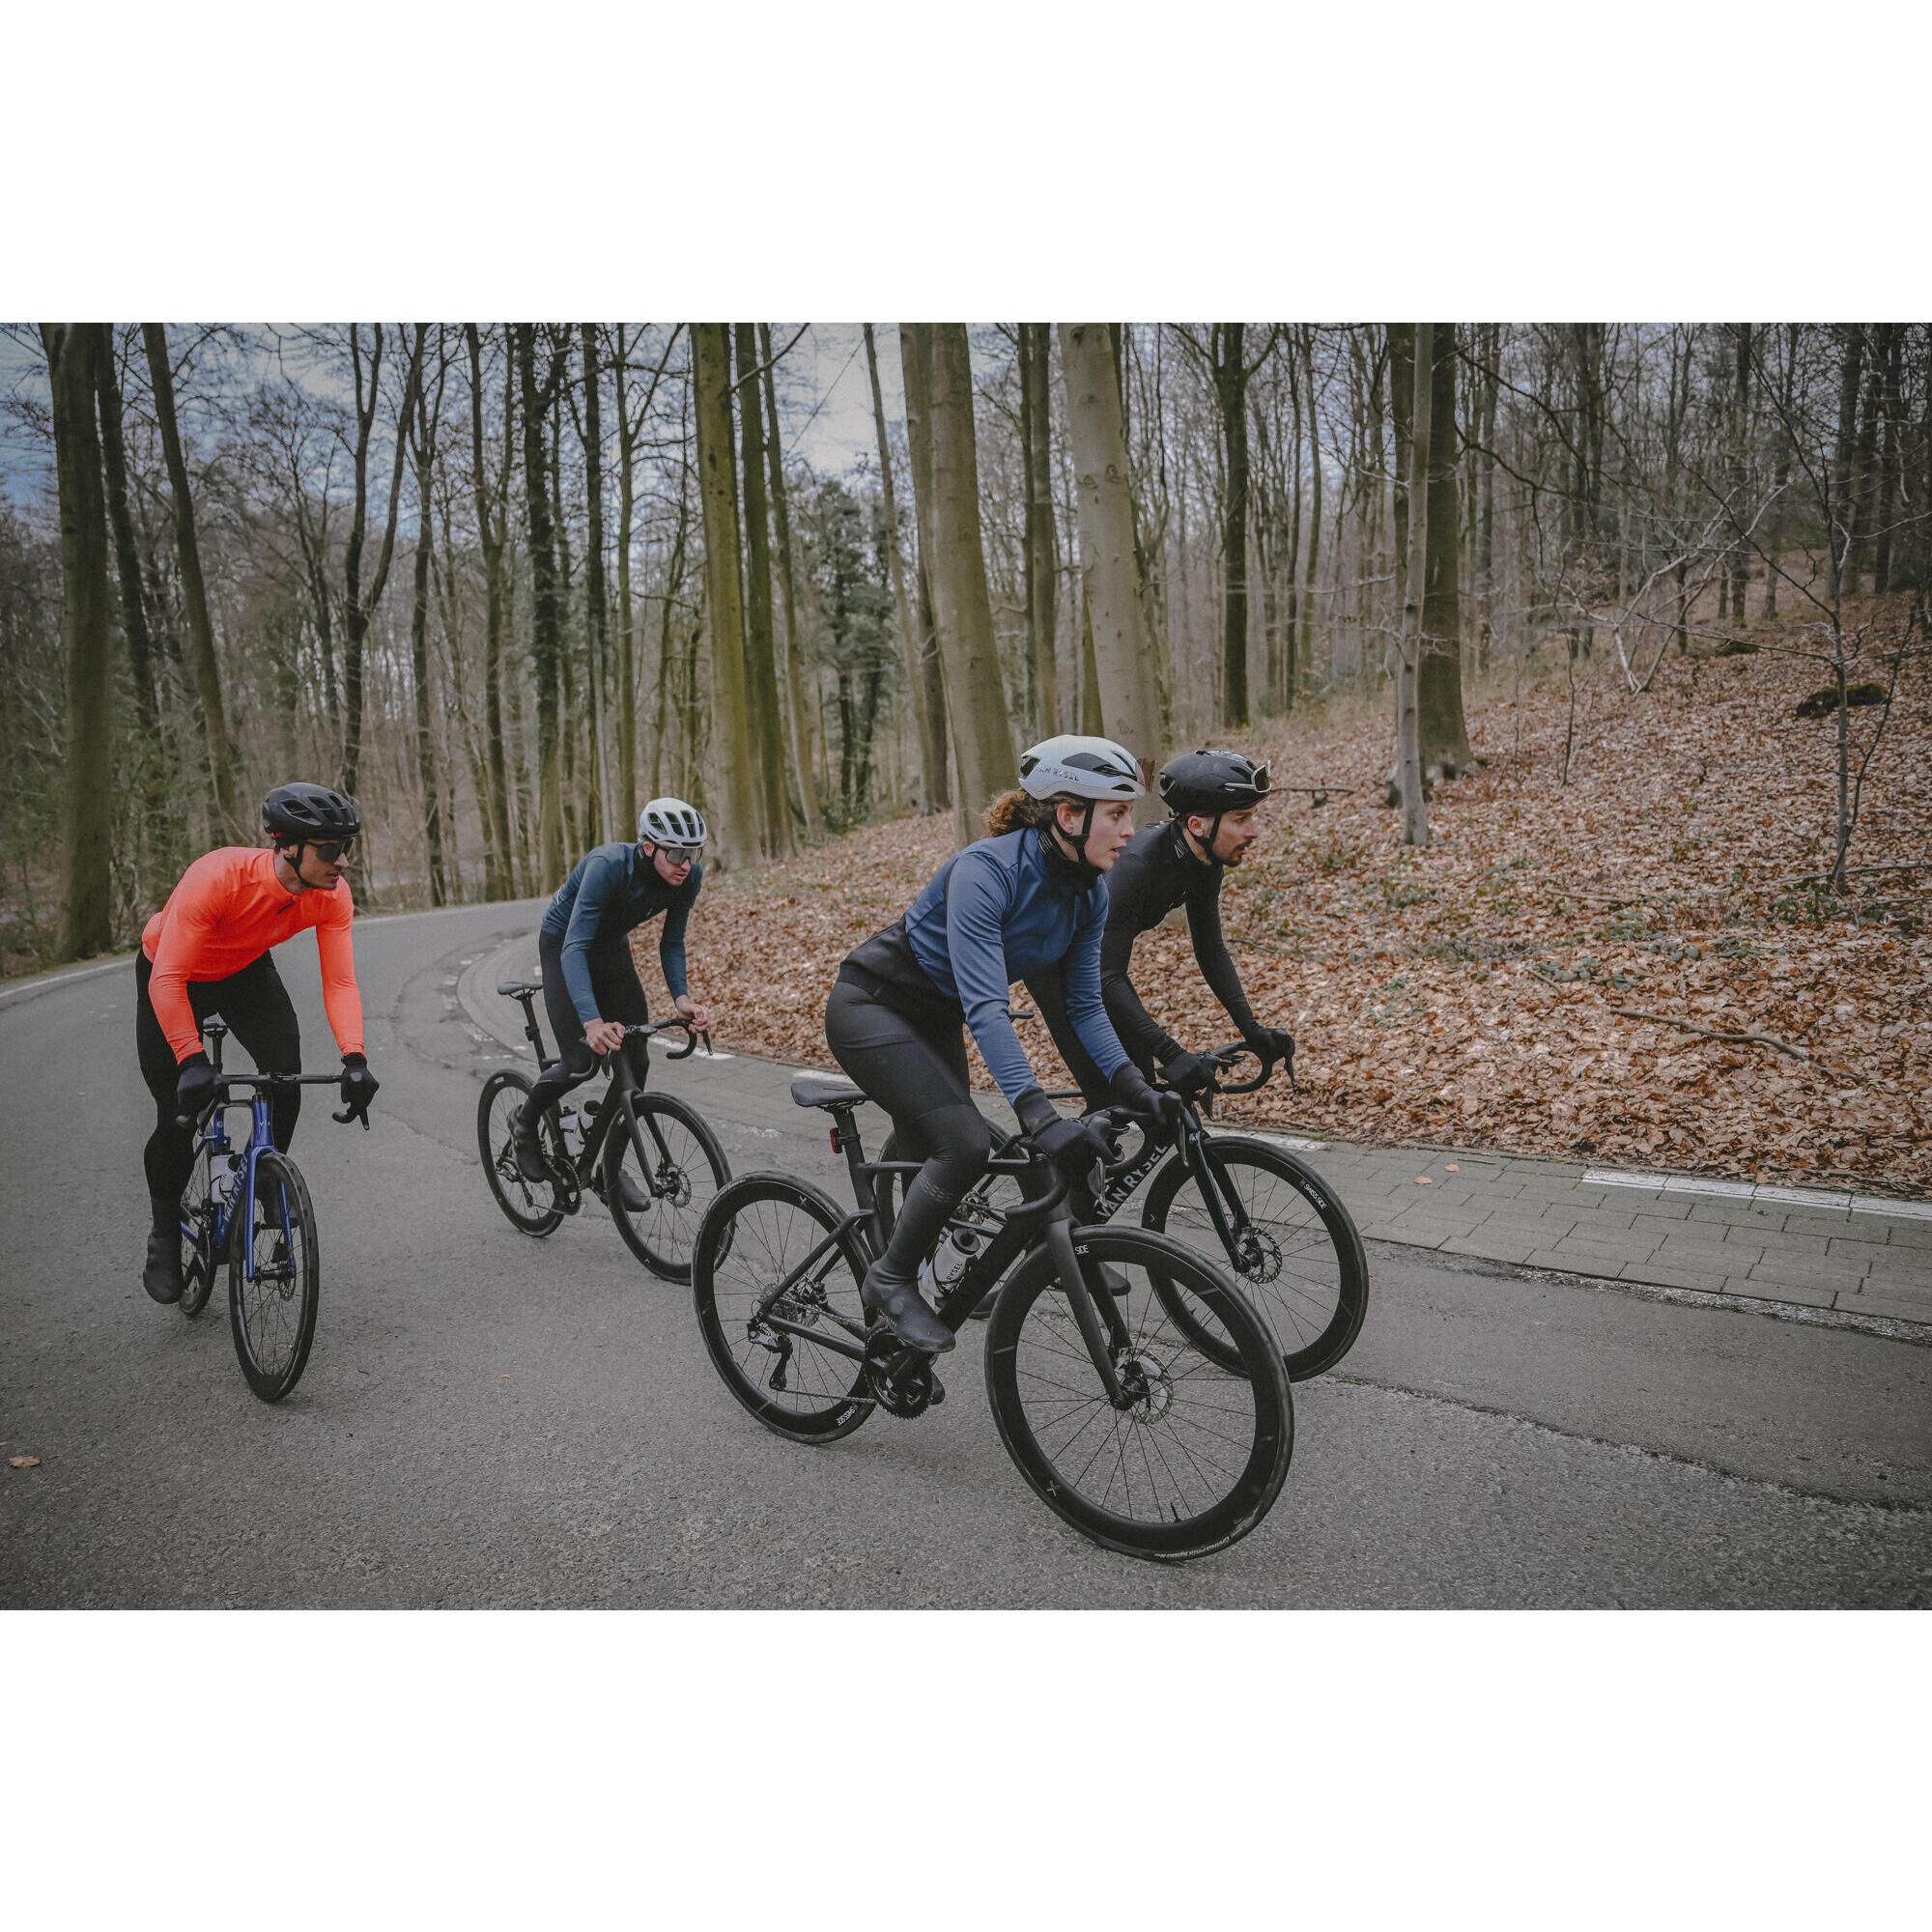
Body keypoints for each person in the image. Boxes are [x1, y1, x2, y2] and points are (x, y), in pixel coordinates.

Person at [825, 735, 1182, 1353]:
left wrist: (1135, 1085)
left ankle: (949, 1250)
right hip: (870, 1006)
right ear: (1069, 815)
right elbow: (990, 1007)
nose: (1130, 830)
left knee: (944, 1141)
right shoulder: (986, 871)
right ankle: (889, 1278)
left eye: (1131, 814)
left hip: (936, 1016)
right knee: (964, 1142)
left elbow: (1083, 1004)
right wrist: (1038, 1112)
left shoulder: (1088, 890)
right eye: (1118, 813)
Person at [136, 782, 378, 1304]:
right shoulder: (218, 878)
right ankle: (163, 1233)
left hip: (244, 970)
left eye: (347, 848)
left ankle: (265, 1178)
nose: (343, 862)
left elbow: (339, 982)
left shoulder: (331, 896)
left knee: (284, 1072)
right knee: (176, 1110)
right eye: (331, 850)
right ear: (288, 845)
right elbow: (167, 978)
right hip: (173, 973)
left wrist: (355, 1058)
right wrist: (191, 1058)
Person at [1027, 748, 1296, 1111]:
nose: (1254, 831)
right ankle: (1067, 1164)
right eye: (1241, 818)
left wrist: (1252, 1029)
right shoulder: (1136, 866)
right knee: (1114, 1096)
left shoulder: (1204, 863)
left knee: (1142, 1089)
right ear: (1199, 825)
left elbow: (1211, 951)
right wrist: (1171, 1052)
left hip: (1095, 968)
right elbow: (1106, 977)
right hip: (1052, 965)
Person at [511, 798, 715, 1196]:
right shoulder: (607, 866)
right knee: (581, 1062)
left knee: (636, 1059)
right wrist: (592, 1022)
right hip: (564, 944)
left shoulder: (689, 877)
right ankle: (524, 1123)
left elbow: (671, 942)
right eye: (676, 853)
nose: (685, 863)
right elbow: (574, 948)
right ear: (649, 845)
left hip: (610, 949)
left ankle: (609, 1167)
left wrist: (682, 999)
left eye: (694, 853)